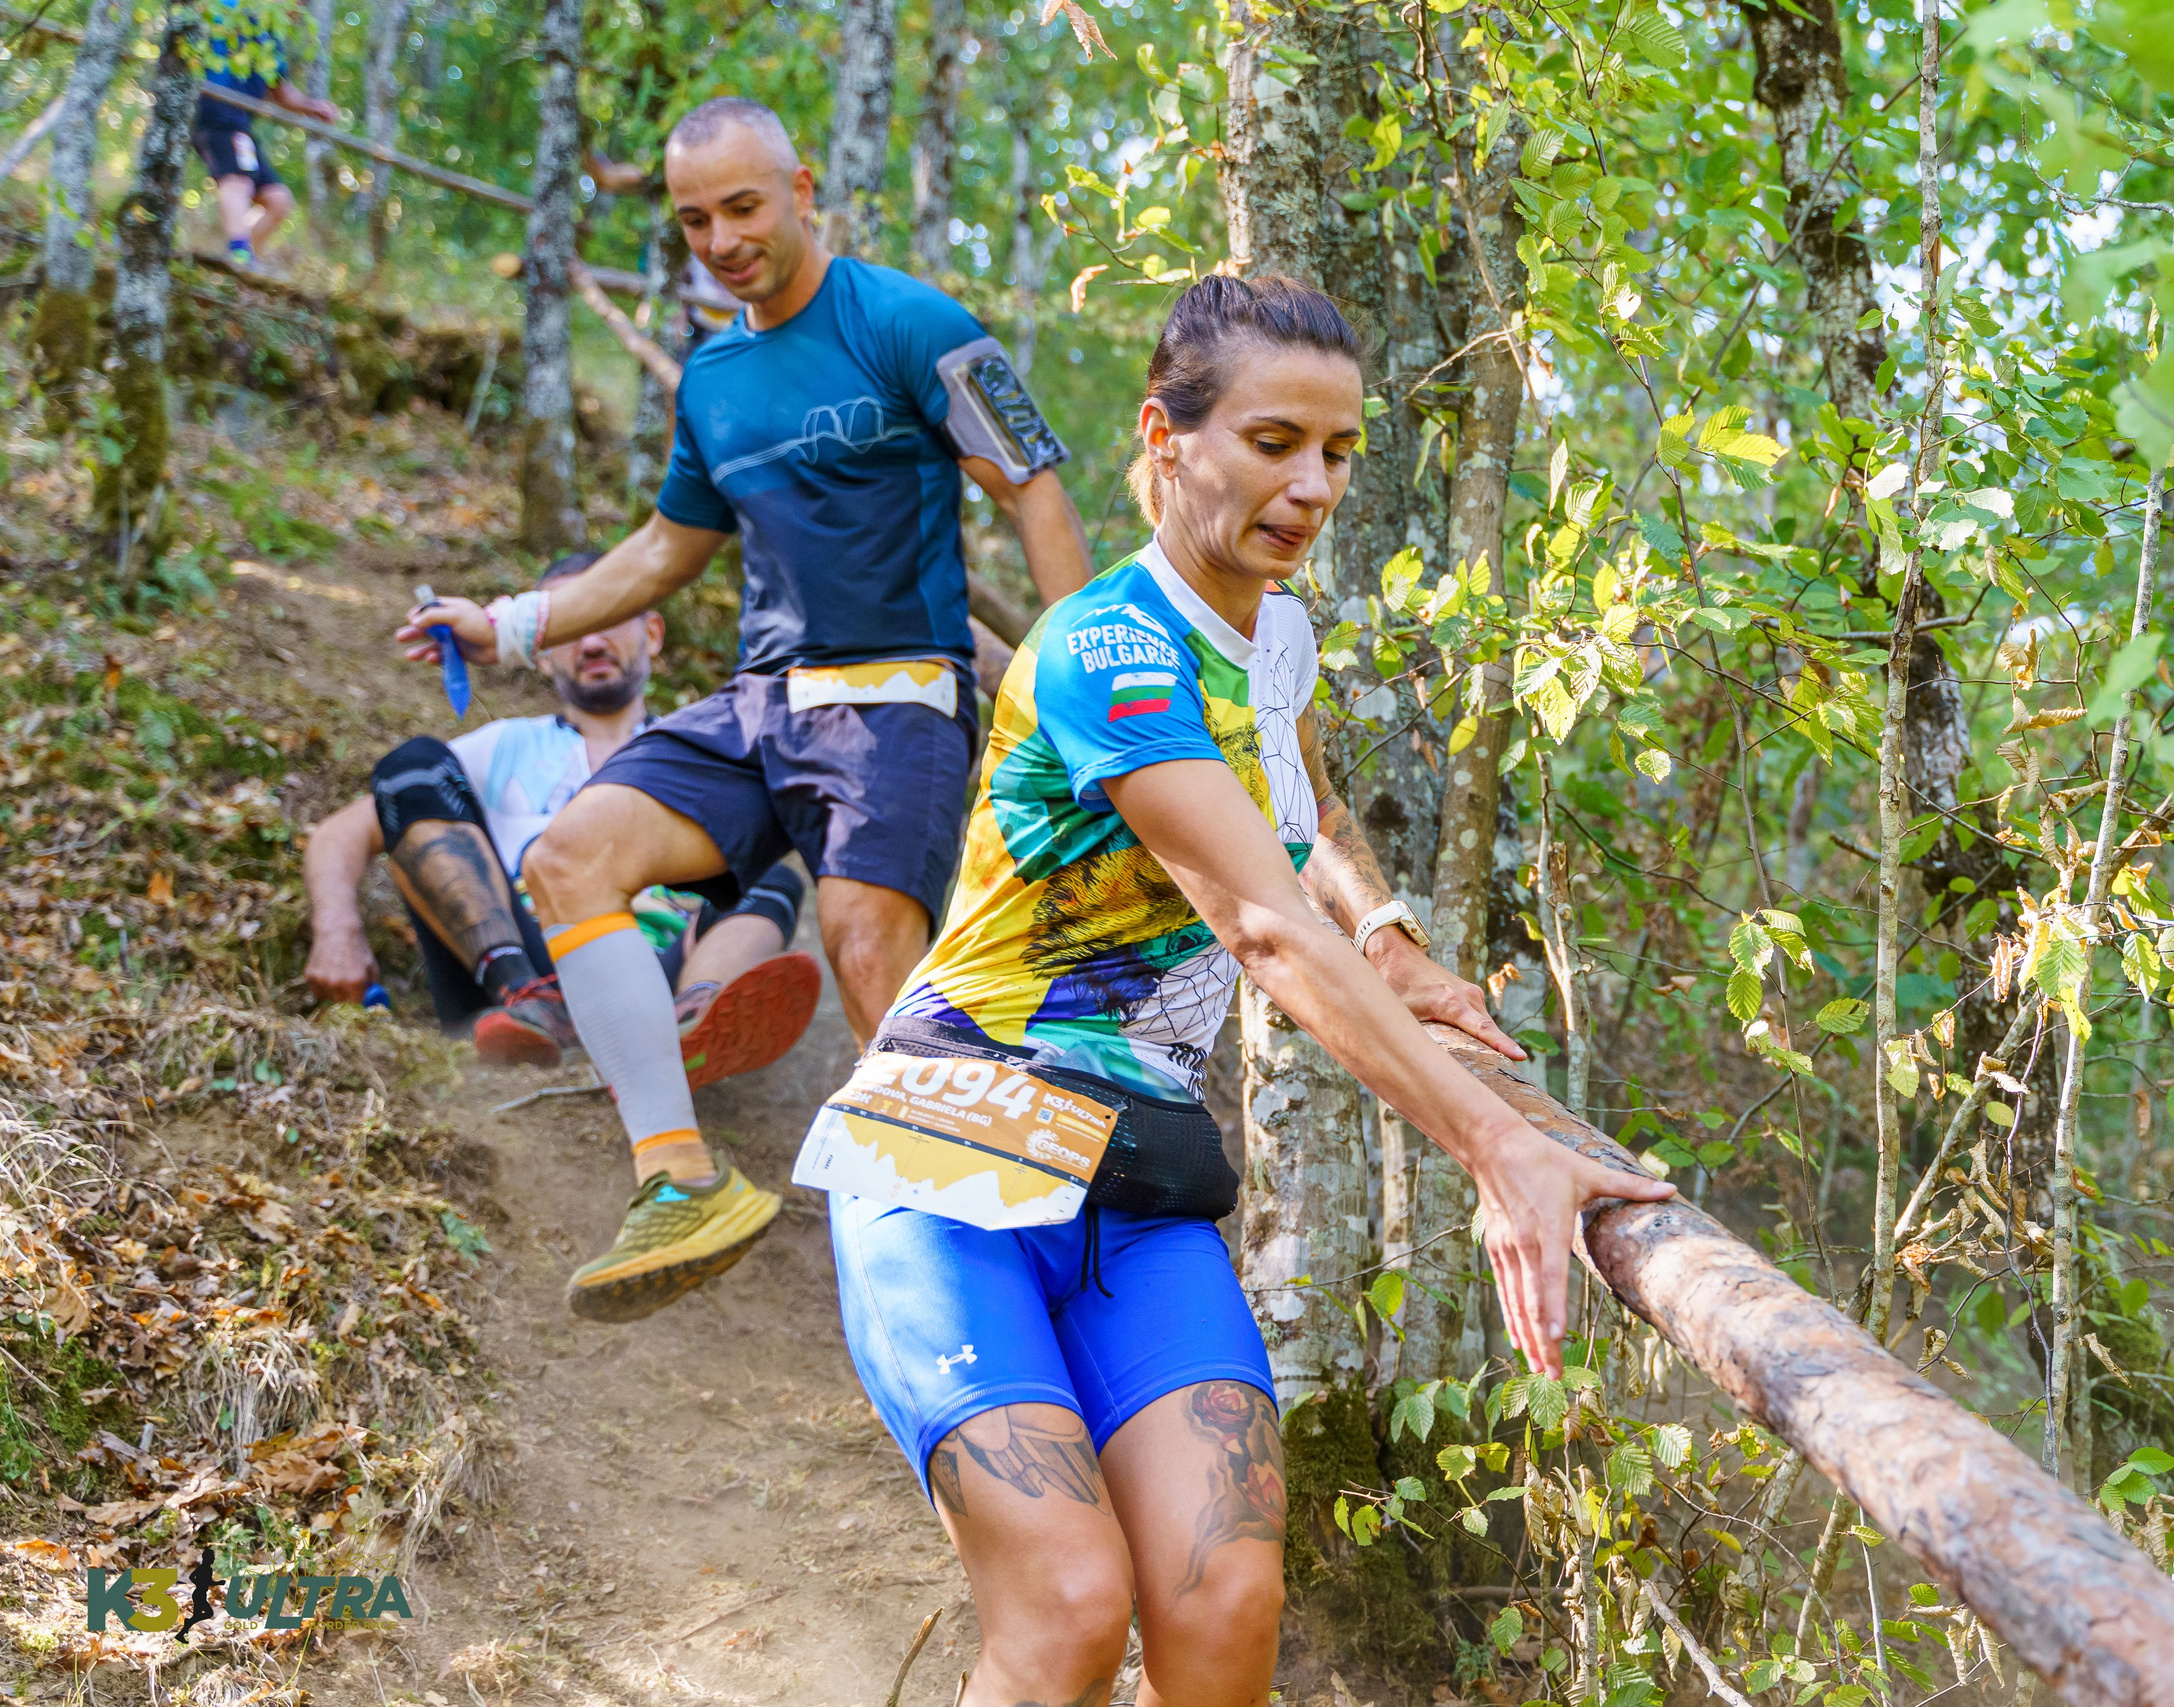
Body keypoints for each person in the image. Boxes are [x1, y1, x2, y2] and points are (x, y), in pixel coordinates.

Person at [799, 275, 1675, 1706]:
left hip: (1131, 1174)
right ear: (1167, 436)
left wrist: (1388, 934)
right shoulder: (1108, 647)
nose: (1314, 483)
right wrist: (1496, 1142)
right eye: (1274, 441)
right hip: (948, 1154)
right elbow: (1259, 923)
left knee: (1224, 1608)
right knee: (1073, 1607)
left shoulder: (1273, 636)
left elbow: (1303, 809)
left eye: (1338, 450)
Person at [398, 97, 1091, 1326]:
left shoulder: (911, 325)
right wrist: (509, 623)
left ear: (802, 189)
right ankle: (678, 1182)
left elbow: (1031, 490)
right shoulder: (714, 376)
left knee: (868, 949)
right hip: (757, 705)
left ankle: (1001, 1284)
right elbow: (668, 547)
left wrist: (1084, 690)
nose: (719, 239)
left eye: (741, 207)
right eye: (692, 220)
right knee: (570, 859)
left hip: (897, 702)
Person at [309, 555, 821, 1086]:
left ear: (652, 633)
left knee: (769, 873)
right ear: (543, 655)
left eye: (610, 619)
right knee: (409, 771)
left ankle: (694, 1023)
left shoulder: (701, 755)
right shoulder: (504, 746)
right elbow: (341, 832)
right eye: (573, 628)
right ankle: (534, 1005)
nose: (592, 642)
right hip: (517, 972)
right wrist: (336, 930)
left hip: (658, 973)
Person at [194, 0, 339, 272]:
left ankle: (244, 264)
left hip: (240, 121)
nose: (296, 11)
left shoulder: (273, 42)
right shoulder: (234, 8)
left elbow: (281, 92)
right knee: (237, 180)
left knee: (277, 200)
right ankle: (238, 253)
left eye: (302, 7)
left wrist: (314, 108)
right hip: (214, 108)